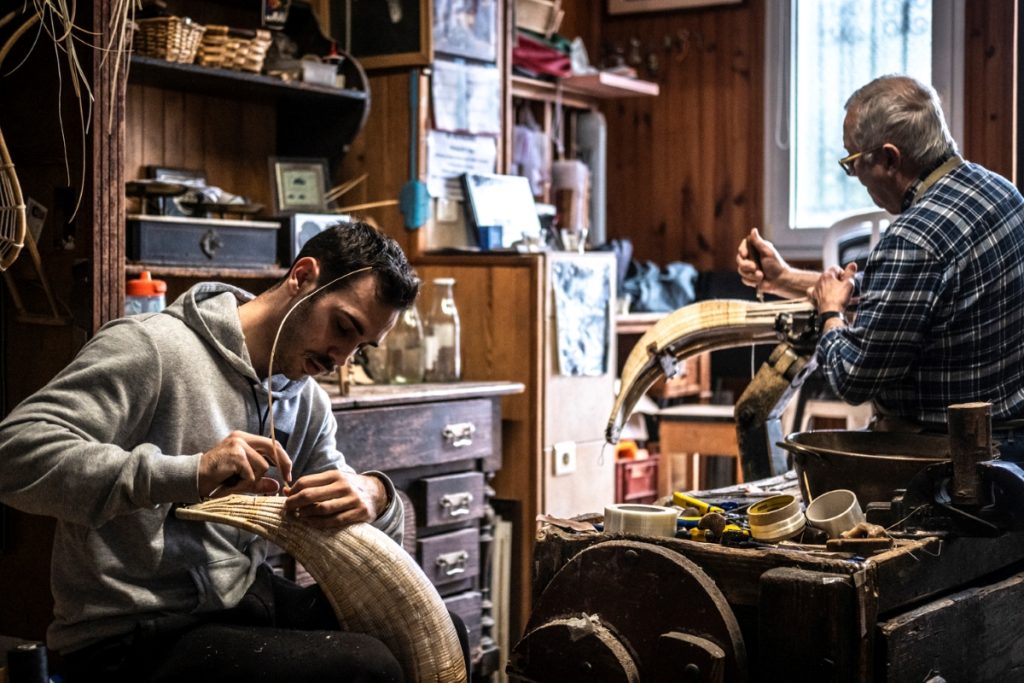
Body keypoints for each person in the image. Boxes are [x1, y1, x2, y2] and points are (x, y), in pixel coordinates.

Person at [0, 221, 461, 681]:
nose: (342, 357)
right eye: (343, 327)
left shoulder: (307, 401)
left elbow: (362, 543)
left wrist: (376, 496)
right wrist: (193, 471)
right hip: (130, 630)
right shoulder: (152, 348)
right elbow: (14, 454)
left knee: (447, 631)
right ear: (302, 276)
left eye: (361, 347)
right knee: (364, 667)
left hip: (239, 605)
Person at [737, 74, 1024, 440]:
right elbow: (897, 298)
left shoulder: (914, 239)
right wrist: (781, 278)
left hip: (944, 455)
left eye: (853, 161)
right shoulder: (1002, 191)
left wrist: (831, 316)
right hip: (1011, 441)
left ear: (889, 159)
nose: (854, 175)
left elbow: (852, 379)